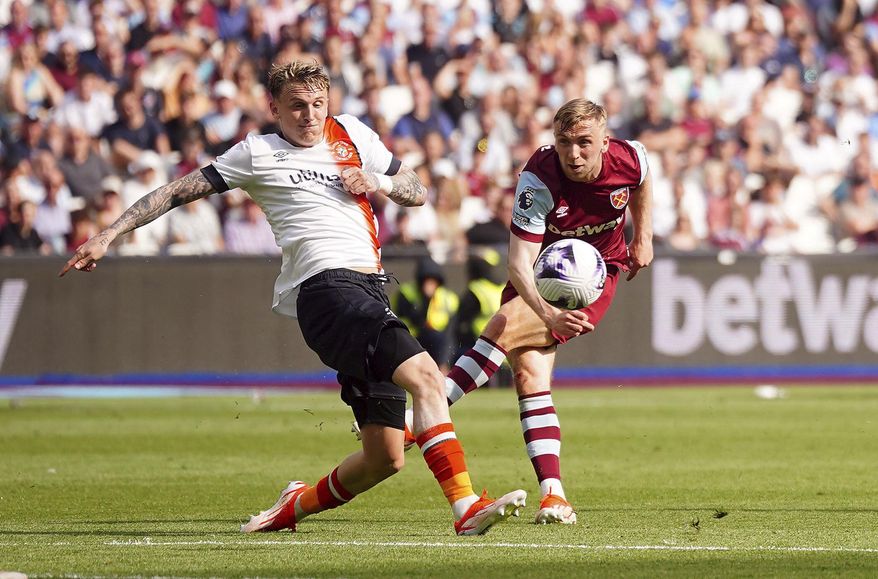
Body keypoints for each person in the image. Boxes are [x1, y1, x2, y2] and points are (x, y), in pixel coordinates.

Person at [60, 60, 525, 536]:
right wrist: (110, 233)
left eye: (318, 105)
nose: (309, 115)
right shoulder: (257, 152)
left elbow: (417, 190)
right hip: (327, 290)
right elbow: (178, 191)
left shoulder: (352, 134)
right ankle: (465, 507)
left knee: (383, 458)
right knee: (427, 376)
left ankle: (289, 509)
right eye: (297, 106)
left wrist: (377, 181)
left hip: (368, 289)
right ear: (274, 108)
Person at [387, 98, 654, 526]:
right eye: (565, 143)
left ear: (605, 141)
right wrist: (547, 316)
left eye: (585, 142)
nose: (575, 153)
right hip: (536, 273)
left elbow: (643, 179)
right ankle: (554, 495)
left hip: (590, 277)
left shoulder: (629, 157)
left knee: (502, 325)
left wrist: (644, 237)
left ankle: (421, 418)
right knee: (529, 376)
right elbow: (517, 264)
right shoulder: (539, 179)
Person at [391, 256, 459, 372]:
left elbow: (451, 330)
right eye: (426, 280)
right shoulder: (406, 293)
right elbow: (415, 320)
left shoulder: (449, 297)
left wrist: (445, 358)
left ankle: (442, 370)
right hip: (411, 336)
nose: (429, 285)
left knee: (444, 341)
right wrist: (427, 299)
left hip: (439, 339)